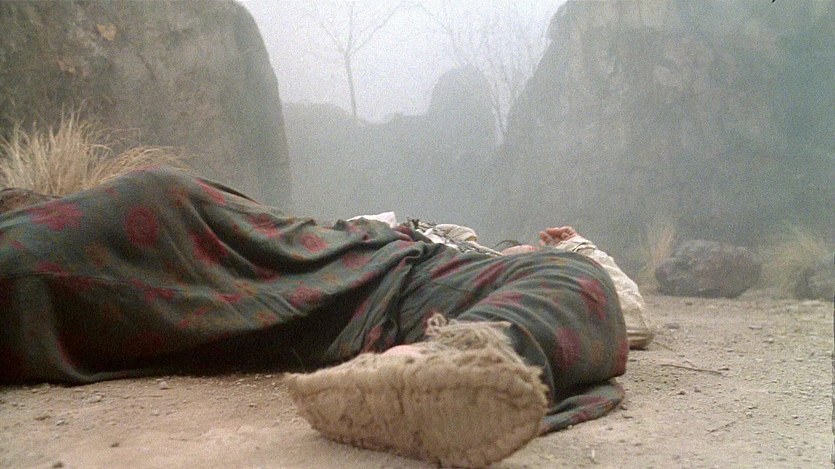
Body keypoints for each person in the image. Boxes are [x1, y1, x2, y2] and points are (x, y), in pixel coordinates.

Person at [0, 166, 627, 467]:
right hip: (267, 241)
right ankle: (448, 368)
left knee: (577, 277)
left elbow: (624, 305)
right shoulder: (438, 245)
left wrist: (573, 246)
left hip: (374, 281)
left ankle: (443, 371)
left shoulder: (500, 265)